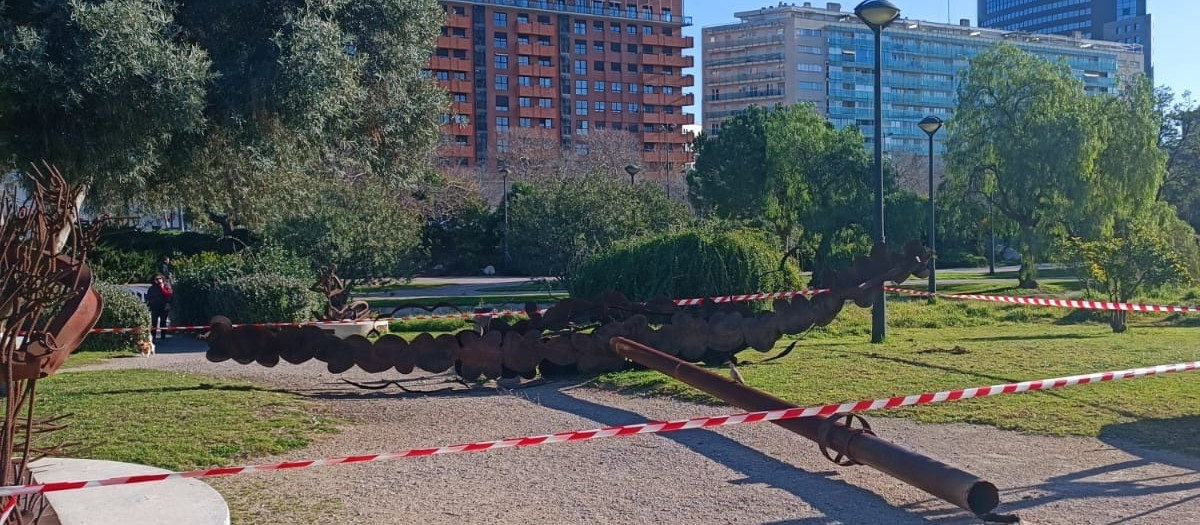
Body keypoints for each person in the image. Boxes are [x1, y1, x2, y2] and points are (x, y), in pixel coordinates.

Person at [145, 273, 173, 340]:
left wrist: (162, 287)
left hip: (164, 307)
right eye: (156, 279)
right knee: (154, 322)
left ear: (162, 279)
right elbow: (149, 297)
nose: (158, 280)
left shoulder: (166, 286)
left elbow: (169, 295)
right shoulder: (152, 288)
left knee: (163, 322)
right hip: (154, 307)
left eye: (159, 278)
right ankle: (153, 336)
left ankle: (163, 336)